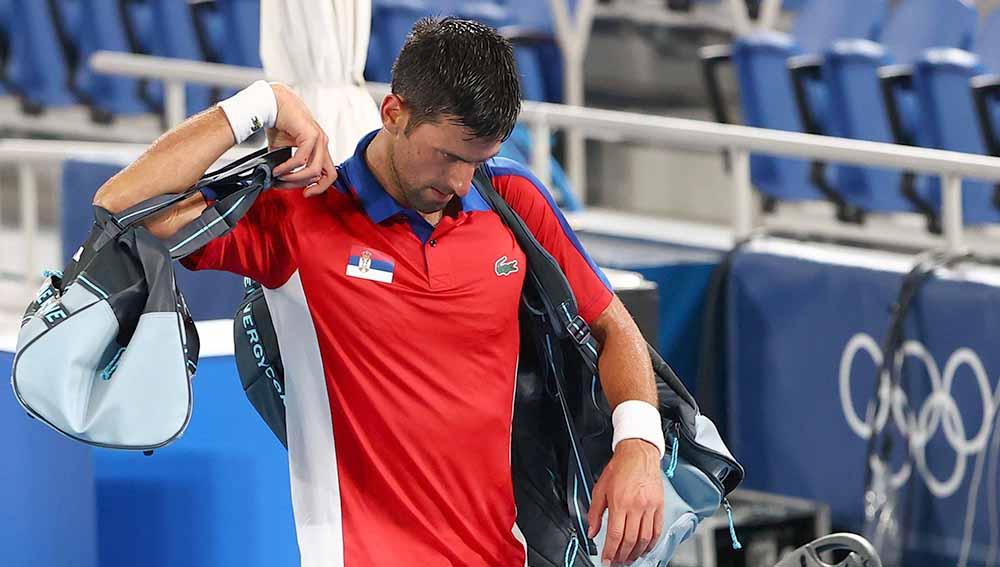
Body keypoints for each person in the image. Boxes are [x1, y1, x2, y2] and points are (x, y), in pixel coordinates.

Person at [94, 17, 666, 567]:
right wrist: (259, 106)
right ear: (394, 112)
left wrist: (639, 443)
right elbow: (121, 205)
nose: (460, 182)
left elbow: (613, 326)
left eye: (479, 160)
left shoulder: (512, 200)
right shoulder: (299, 217)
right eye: (446, 156)